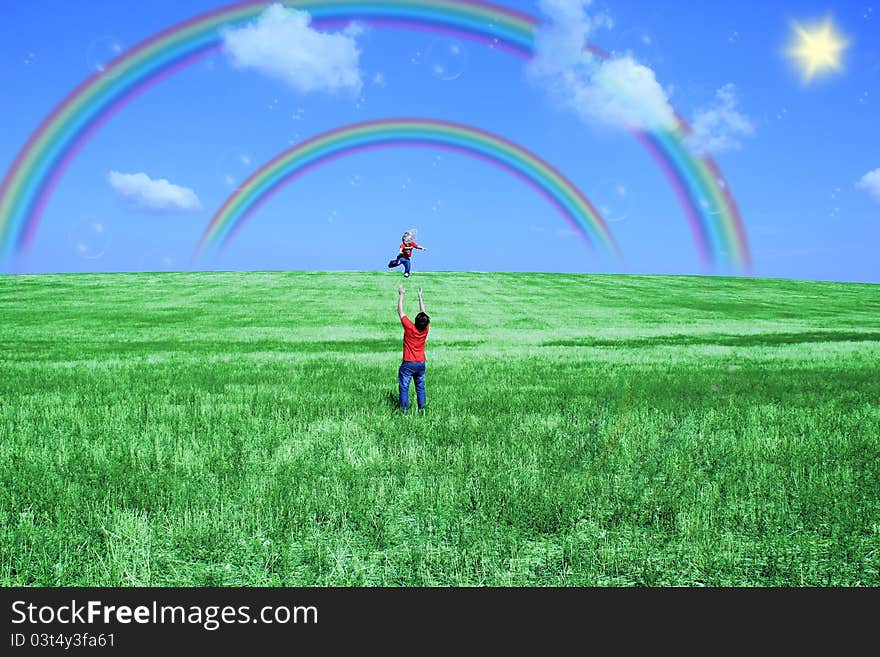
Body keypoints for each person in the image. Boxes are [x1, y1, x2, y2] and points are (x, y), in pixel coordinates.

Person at [396, 285, 430, 411]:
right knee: (420, 387)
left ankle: (405, 411)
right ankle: (422, 409)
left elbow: (400, 311)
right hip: (421, 363)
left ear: (415, 321)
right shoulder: (426, 329)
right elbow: (424, 314)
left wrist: (401, 294)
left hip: (408, 363)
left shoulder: (410, 327)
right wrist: (420, 297)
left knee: (404, 387)